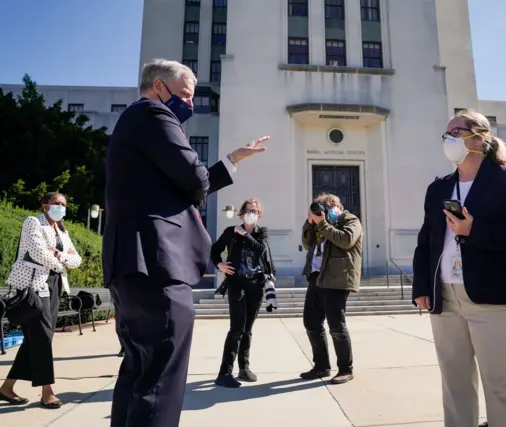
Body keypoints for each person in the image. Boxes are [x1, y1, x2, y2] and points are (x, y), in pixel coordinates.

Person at [103, 58, 269, 427]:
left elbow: (184, 187)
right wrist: (203, 173)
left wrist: (233, 160)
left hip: (134, 265)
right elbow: (194, 179)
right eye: (185, 95)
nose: (191, 105)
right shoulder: (154, 115)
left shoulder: (135, 122)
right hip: (156, 264)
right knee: (161, 381)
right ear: (159, 87)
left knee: (138, 375)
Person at [412, 109, 506, 427]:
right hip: (445, 296)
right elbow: (426, 241)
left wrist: (475, 230)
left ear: (480, 138)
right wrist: (420, 287)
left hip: (494, 296)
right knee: (454, 387)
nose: (449, 138)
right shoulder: (439, 188)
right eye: (447, 133)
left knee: (504, 388)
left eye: (456, 132)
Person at [0, 192, 82, 409]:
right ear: (45, 206)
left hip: (55, 286)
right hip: (35, 286)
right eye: (56, 203)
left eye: (64, 204)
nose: (61, 207)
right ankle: (47, 391)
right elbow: (38, 252)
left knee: (36, 338)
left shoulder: (62, 230)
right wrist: (59, 261)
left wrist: (59, 256)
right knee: (43, 337)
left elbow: (77, 259)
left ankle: (6, 388)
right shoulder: (33, 222)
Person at [210, 199, 275, 388]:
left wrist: (245, 234)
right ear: (241, 213)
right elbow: (215, 250)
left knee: (248, 329)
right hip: (237, 282)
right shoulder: (230, 232)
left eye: (255, 211)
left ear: (259, 214)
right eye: (248, 210)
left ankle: (244, 368)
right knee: (236, 329)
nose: (251, 213)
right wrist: (220, 264)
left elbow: (260, 249)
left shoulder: (261, 233)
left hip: (256, 284)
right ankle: (224, 373)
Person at [299, 193, 362, 385]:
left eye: (326, 206)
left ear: (337, 207)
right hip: (317, 276)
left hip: (337, 279)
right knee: (311, 322)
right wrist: (311, 223)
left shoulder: (350, 220)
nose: (323, 211)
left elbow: (346, 240)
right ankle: (321, 366)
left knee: (336, 325)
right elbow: (307, 243)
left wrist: (323, 224)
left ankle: (345, 369)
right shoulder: (319, 224)